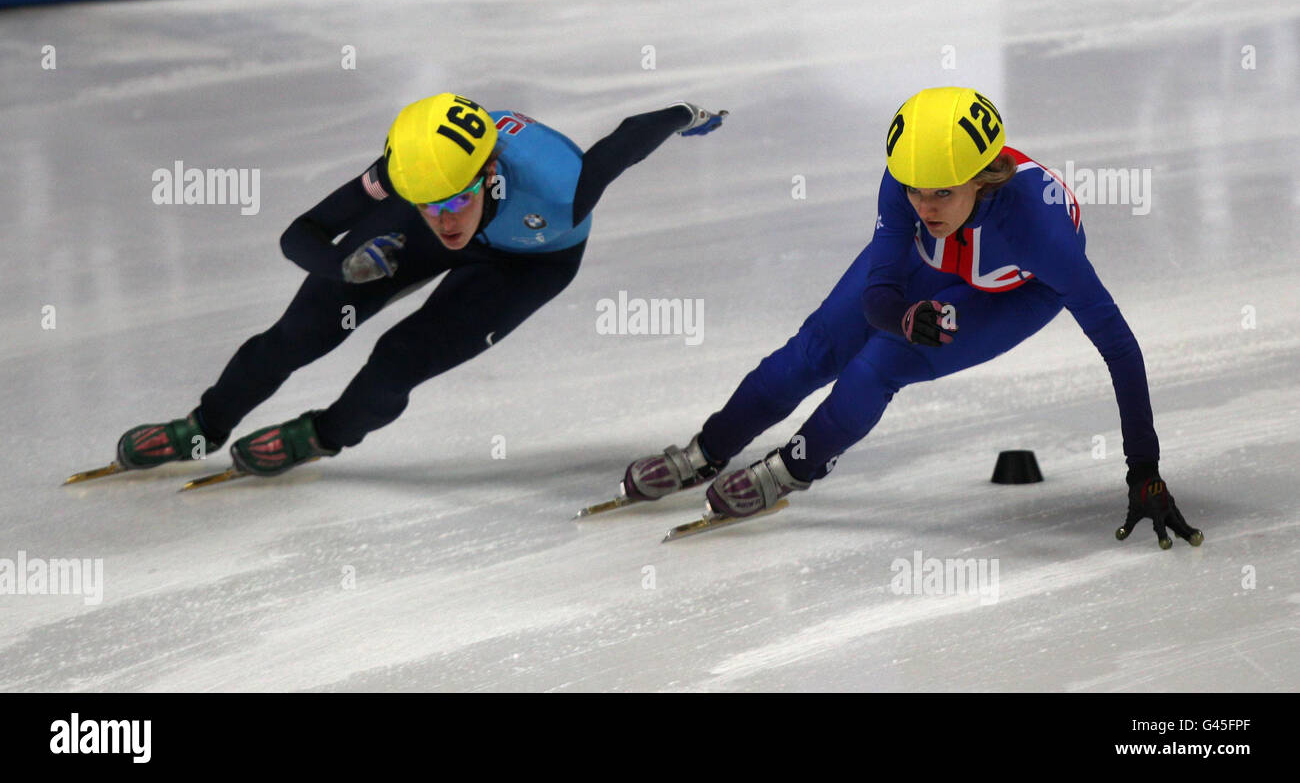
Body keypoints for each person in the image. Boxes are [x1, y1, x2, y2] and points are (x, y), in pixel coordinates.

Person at [621, 86, 1201, 550]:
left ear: (981, 175)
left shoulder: (1039, 234)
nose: (925, 206)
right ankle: (706, 450)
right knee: (815, 349)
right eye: (916, 191)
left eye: (943, 193)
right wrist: (903, 314)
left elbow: (1120, 348)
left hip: (1012, 291)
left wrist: (1143, 470)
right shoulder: (904, 182)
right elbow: (878, 297)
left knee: (876, 368)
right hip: (933, 265)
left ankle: (790, 470)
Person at [112, 93, 726, 477]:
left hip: (529, 261)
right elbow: (301, 235)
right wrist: (344, 269)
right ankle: (204, 425)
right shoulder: (411, 178)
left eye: (457, 200)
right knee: (298, 334)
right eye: (428, 203)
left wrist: (688, 115)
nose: (445, 218)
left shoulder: (563, 186)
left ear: (487, 174)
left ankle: (325, 435)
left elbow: (627, 140)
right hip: (426, 224)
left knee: (398, 359)